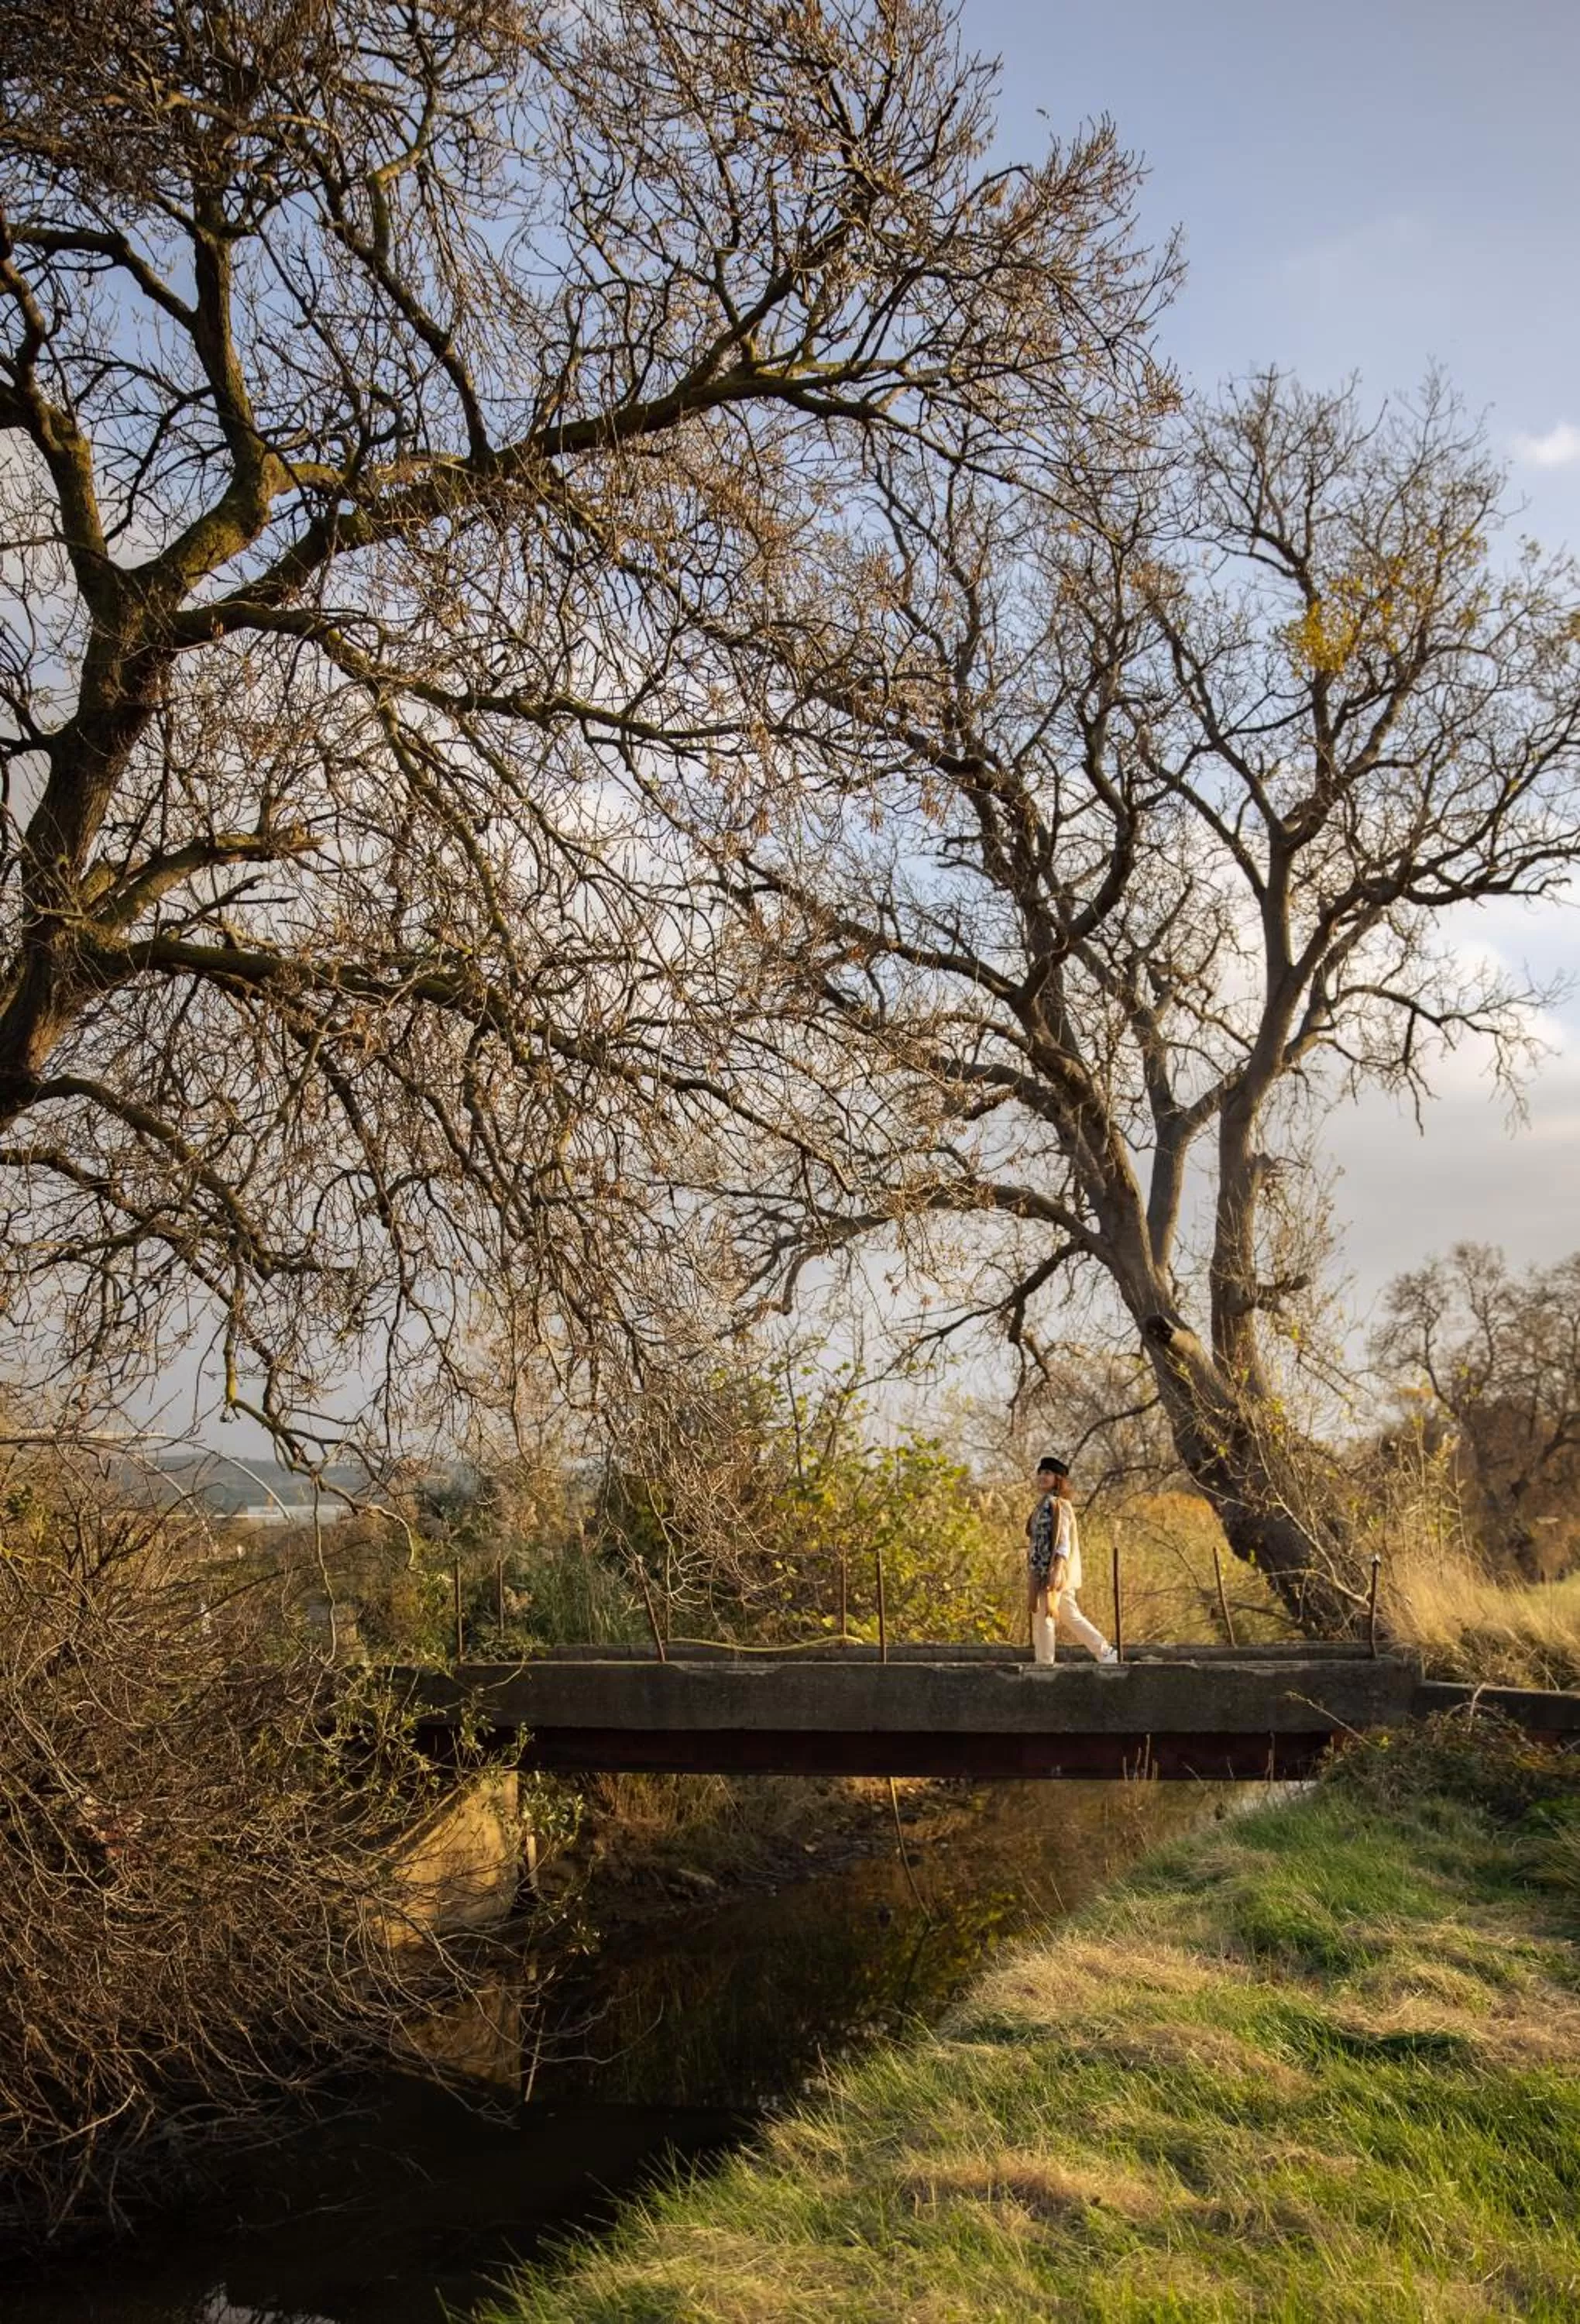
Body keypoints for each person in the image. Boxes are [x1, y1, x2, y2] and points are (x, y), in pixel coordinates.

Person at [1025, 1455, 1118, 1668]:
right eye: (1040, 1473)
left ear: (1057, 1478)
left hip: (1054, 1572)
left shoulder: (1061, 1506)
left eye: (1047, 1473)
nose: (1042, 1477)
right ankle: (1106, 1653)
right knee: (1068, 1614)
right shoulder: (1041, 1506)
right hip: (1041, 1570)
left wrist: (1057, 1569)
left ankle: (1044, 1665)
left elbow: (1063, 1541)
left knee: (1046, 1615)